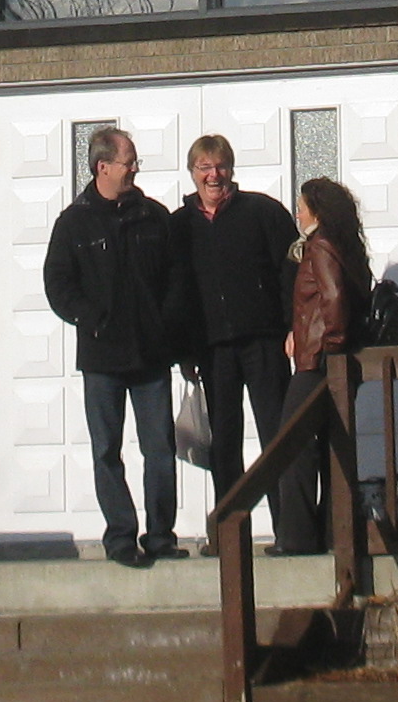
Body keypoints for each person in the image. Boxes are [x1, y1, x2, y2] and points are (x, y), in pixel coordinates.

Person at [40, 127, 193, 566]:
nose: (135, 169)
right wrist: (92, 318)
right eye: (129, 162)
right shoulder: (74, 222)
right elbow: (58, 283)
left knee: (159, 449)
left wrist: (167, 327)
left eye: (136, 161)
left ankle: (160, 536)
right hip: (102, 357)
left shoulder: (154, 217)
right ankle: (121, 536)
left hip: (151, 356)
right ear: (102, 166)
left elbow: (176, 280)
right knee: (106, 450)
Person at [168, 133, 295, 497]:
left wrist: (292, 328)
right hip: (212, 350)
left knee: (278, 435)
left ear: (232, 169)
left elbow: (292, 273)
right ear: (192, 172)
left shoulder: (263, 212)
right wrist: (183, 351)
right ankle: (230, 524)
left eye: (221, 166)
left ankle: (288, 524)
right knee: (223, 443)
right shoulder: (178, 226)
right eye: (204, 167)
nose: (214, 175)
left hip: (265, 343)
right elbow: (175, 292)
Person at [275, 174, 374, 557]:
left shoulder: (320, 246)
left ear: (316, 211)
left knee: (295, 447)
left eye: (301, 208)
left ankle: (298, 537)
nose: (298, 214)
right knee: (335, 447)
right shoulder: (344, 244)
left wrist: (329, 346)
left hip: (318, 362)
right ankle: (334, 533)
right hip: (329, 360)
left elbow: (333, 300)